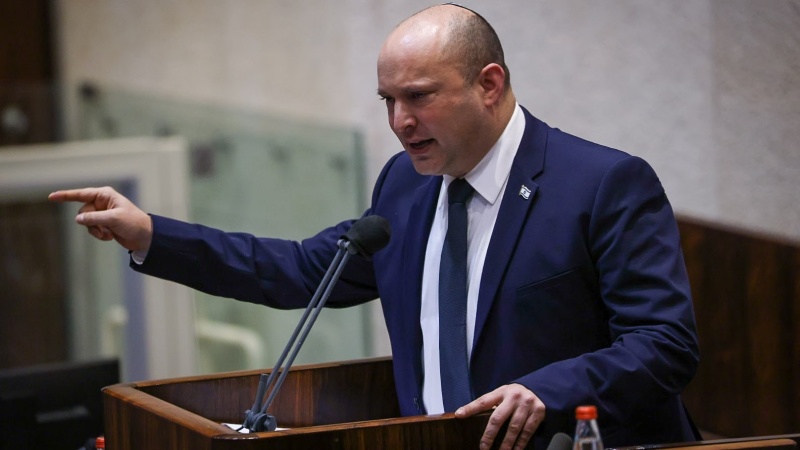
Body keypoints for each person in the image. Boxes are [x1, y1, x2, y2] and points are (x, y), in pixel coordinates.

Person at [49, 4, 700, 450]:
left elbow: (665, 342)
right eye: (388, 100)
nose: (399, 121)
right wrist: (150, 234)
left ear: (489, 84)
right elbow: (300, 270)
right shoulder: (405, 184)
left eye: (419, 96)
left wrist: (544, 390)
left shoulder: (601, 185)